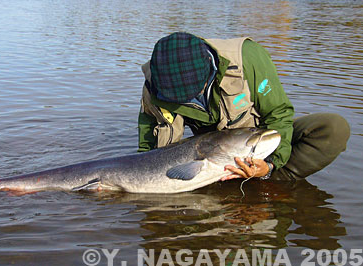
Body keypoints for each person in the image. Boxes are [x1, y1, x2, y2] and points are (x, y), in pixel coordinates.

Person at [138, 32, 350, 181]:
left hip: (254, 138)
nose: (188, 99)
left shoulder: (248, 58)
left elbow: (278, 114)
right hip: (206, 151)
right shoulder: (155, 83)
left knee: (333, 128)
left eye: (193, 91)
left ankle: (271, 179)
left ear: (209, 69)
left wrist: (271, 165)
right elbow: (149, 151)